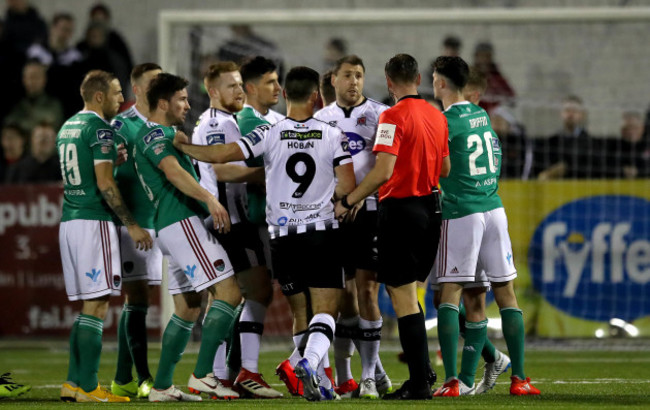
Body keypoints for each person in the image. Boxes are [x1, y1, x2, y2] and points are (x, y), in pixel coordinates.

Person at [173, 66, 356, 401]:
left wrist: (185, 148)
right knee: (327, 310)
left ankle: (310, 375)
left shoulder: (268, 132)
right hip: (321, 232)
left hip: (282, 238)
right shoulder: (331, 134)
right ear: (316, 96)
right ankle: (303, 363)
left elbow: (223, 156)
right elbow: (347, 186)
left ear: (286, 94)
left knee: (299, 311)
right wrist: (346, 202)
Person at [334, 53, 449, 400]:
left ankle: (418, 384)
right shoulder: (436, 115)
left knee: (401, 299)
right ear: (419, 79)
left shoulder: (391, 116)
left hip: (401, 210)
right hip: (433, 209)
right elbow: (444, 169)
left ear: (388, 82)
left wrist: (349, 200)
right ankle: (424, 371)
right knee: (412, 294)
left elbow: (383, 171)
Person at [430, 55, 540, 397]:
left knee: (448, 294)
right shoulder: (482, 115)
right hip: (494, 208)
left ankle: (450, 381)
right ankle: (520, 379)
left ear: (440, 83)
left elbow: (442, 169)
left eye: (434, 78)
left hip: (462, 211)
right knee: (502, 294)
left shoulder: (443, 121)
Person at [133, 73, 242, 402]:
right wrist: (210, 199)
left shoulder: (166, 133)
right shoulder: (153, 133)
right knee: (230, 291)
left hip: (171, 227)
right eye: (181, 99)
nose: (188, 104)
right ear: (163, 103)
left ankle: (163, 386)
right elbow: (172, 171)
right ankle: (204, 374)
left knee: (188, 308)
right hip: (180, 222)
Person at [57, 69, 153, 403]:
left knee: (87, 306)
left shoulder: (68, 126)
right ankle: (88, 386)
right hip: (94, 222)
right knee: (97, 306)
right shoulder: (100, 129)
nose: (120, 99)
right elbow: (105, 184)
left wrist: (112, 161)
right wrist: (130, 224)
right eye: (115, 93)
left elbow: (87, 169)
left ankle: (72, 382)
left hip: (69, 221)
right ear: (99, 96)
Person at [191, 61, 280, 399]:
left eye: (241, 84)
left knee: (230, 297)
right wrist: (269, 175)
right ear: (213, 92)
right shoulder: (220, 124)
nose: (240, 91)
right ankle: (238, 373)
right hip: (230, 221)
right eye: (231, 86)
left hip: (228, 220)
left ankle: (223, 374)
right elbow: (222, 170)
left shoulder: (225, 121)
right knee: (254, 291)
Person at [314, 54, 392, 399]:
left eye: (359, 75)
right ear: (334, 80)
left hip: (371, 212)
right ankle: (347, 375)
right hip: (333, 215)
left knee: (368, 293)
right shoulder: (320, 119)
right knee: (343, 297)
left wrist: (358, 195)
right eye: (348, 75)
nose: (354, 82)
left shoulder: (380, 114)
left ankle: (370, 377)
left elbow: (387, 164)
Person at [109, 63, 162, 400]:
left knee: (140, 299)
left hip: (161, 220)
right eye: (154, 82)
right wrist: (129, 223)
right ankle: (143, 378)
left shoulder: (164, 122)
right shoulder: (121, 124)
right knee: (137, 297)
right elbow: (107, 177)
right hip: (133, 224)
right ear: (138, 89)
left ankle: (121, 379)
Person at [26, 13, 84, 118]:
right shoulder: (35, 53)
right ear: (52, 28)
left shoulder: (75, 58)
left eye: (69, 31)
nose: (65, 34)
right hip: (38, 107)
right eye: (63, 29)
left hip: (66, 109)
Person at [536, 95, 599, 179]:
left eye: (575, 111)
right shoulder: (550, 143)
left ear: (582, 115)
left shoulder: (592, 144)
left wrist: (566, 168)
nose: (570, 114)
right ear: (561, 113)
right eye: (567, 110)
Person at [5, 59, 64, 132]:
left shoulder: (54, 105)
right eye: (29, 77)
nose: (32, 82)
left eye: (36, 77)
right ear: (23, 79)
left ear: (44, 79)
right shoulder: (16, 106)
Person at [604, 111, 650, 178]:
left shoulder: (647, 145)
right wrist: (622, 171)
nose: (631, 131)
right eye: (627, 128)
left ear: (642, 128)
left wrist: (639, 171)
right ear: (622, 130)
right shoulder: (612, 147)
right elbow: (605, 167)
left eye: (635, 128)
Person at [472, 42, 515, 115]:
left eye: (487, 56)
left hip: (494, 117)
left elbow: (511, 98)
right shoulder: (469, 77)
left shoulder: (497, 78)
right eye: (481, 56)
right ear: (476, 57)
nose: (484, 60)